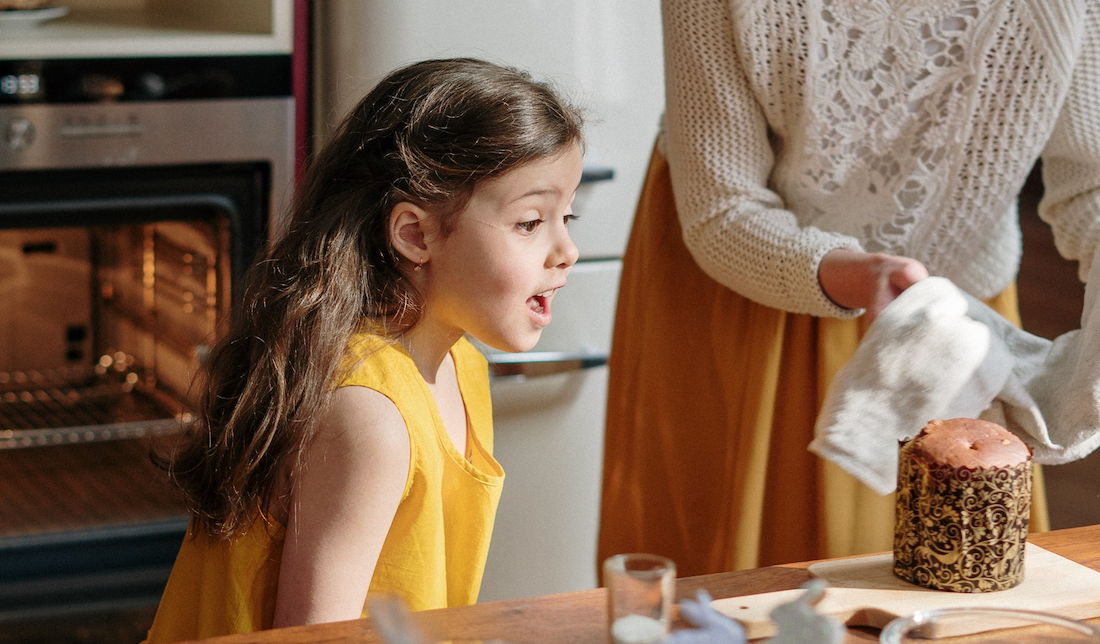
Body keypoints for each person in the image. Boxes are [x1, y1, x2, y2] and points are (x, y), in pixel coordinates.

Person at [597, 0, 1100, 576]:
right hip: (744, 293)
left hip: (951, 312)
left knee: (960, 576)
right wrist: (863, 273)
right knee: (735, 591)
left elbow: (1090, 179)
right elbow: (722, 208)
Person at [144, 57, 585, 642]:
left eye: (567, 215)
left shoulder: (460, 364)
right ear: (414, 234)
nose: (567, 249)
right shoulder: (369, 412)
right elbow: (311, 638)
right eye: (531, 222)